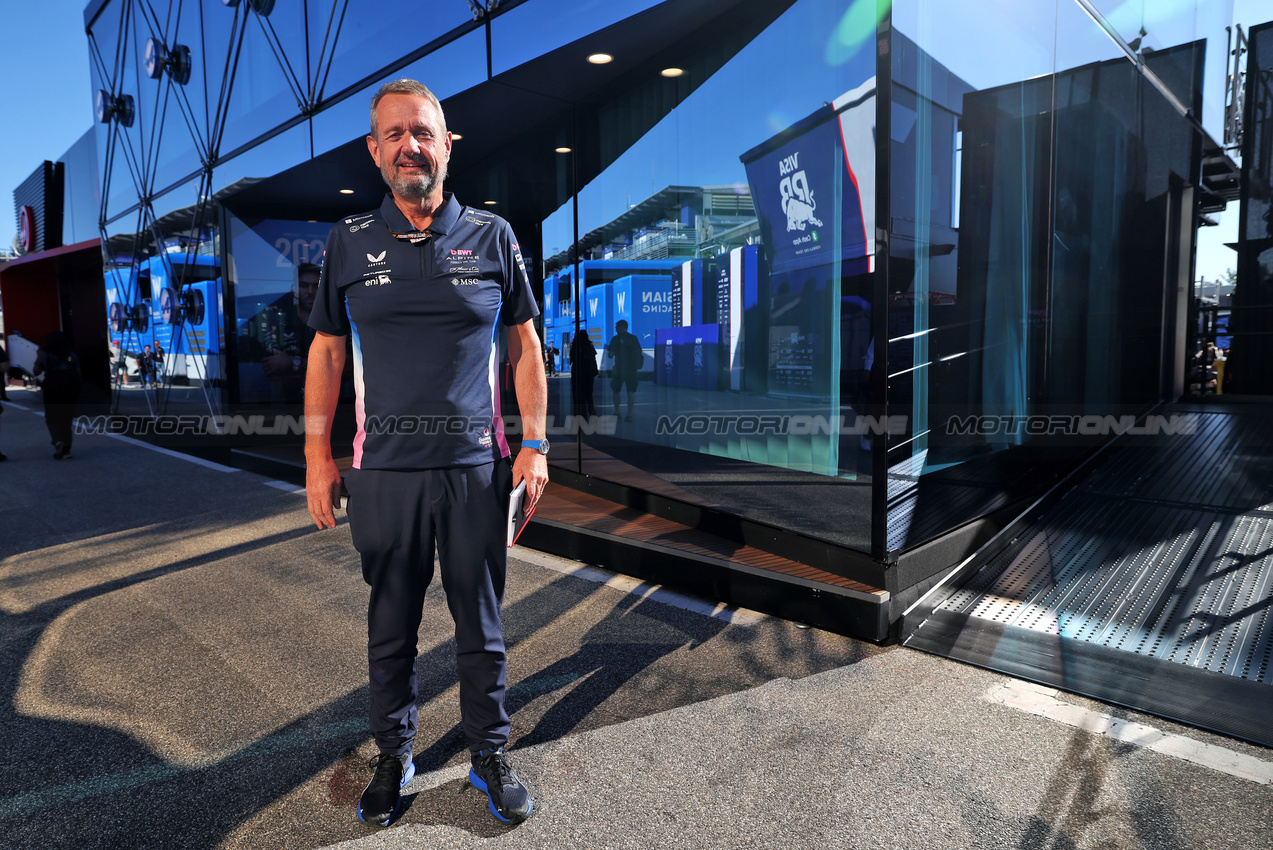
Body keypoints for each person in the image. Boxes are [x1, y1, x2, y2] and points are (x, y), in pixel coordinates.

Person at [305, 79, 546, 829]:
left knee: (481, 624)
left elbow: (525, 349)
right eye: (395, 135)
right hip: (381, 473)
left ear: (447, 146)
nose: (411, 146)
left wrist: (535, 446)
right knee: (391, 625)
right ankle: (393, 754)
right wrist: (317, 456)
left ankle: (488, 753)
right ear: (375, 153)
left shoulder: (493, 237)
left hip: (476, 469)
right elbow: (326, 356)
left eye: (424, 132)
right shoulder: (347, 243)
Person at [262, 262, 320, 401]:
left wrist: (292, 361)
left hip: (332, 403)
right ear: (294, 289)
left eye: (316, 286)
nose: (311, 292)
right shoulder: (278, 324)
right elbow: (272, 367)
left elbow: (346, 366)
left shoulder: (334, 323)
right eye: (304, 286)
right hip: (285, 405)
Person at [33, 331, 82, 459]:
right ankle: (67, 449)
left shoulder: (45, 354)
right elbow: (77, 371)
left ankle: (57, 441)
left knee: (52, 417)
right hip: (70, 388)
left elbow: (36, 371)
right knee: (66, 419)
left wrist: (38, 355)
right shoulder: (70, 354)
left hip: (52, 387)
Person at [605, 319, 642, 421]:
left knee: (616, 391)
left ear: (622, 327)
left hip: (619, 369)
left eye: (616, 327)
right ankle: (629, 415)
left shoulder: (615, 339)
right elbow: (639, 352)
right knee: (630, 392)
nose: (615, 329)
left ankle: (617, 412)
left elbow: (610, 355)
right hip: (632, 369)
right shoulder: (634, 338)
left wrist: (613, 353)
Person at [569, 330, 598, 419]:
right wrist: (594, 371)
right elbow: (593, 360)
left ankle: (580, 413)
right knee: (588, 394)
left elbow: (572, 359)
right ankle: (592, 412)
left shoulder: (575, 346)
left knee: (577, 395)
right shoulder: (589, 346)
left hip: (577, 372)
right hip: (588, 373)